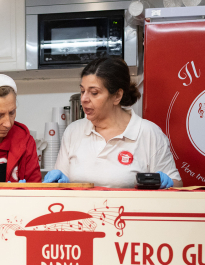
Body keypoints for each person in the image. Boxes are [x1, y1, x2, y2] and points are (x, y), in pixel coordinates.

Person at [44, 57, 182, 189]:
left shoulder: (148, 132)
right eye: (82, 91)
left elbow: (177, 185)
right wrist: (58, 182)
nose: (84, 99)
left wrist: (168, 183)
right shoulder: (73, 131)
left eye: (94, 93)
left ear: (117, 96)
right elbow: (60, 187)